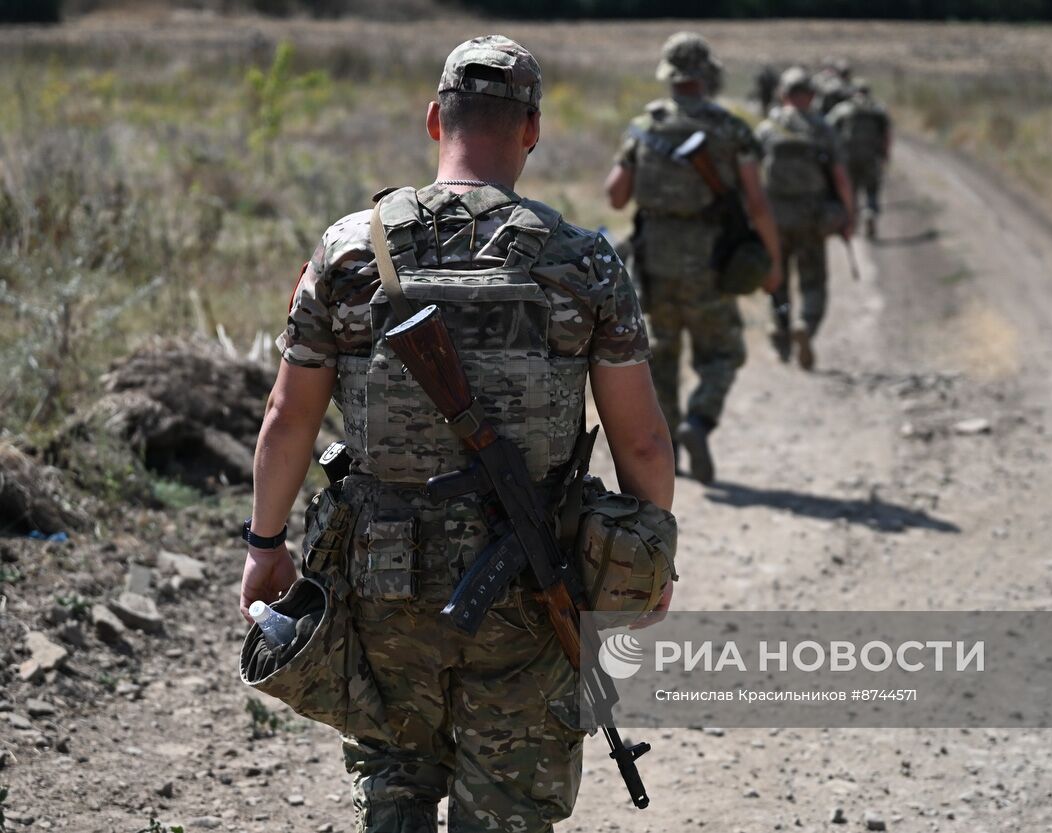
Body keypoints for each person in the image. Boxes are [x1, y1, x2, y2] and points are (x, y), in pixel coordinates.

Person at [239, 34, 675, 833]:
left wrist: (265, 542)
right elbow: (641, 441)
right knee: (508, 808)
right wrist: (648, 557)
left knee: (396, 790)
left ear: (435, 120)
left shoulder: (346, 251)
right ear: (531, 131)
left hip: (382, 581)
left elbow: (287, 416)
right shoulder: (583, 263)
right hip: (529, 590)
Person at [604, 31, 782, 485]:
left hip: (653, 264)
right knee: (723, 352)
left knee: (661, 354)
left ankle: (668, 454)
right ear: (707, 75)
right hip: (711, 264)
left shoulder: (645, 127)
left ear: (669, 75)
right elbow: (758, 204)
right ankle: (698, 422)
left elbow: (616, 197)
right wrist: (774, 262)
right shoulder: (731, 129)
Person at [756, 66, 856, 371]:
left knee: (778, 279)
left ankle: (782, 331)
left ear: (782, 95)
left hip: (775, 220)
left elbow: (749, 177)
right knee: (814, 281)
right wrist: (848, 214)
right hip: (812, 218)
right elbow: (839, 176)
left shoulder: (766, 129)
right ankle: (806, 325)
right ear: (812, 96)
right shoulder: (822, 128)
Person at [827, 77, 892, 240]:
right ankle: (870, 211)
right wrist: (885, 154)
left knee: (851, 190)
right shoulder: (877, 109)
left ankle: (852, 220)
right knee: (871, 188)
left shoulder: (843, 109)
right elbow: (886, 135)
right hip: (871, 156)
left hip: (848, 157)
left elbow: (829, 129)